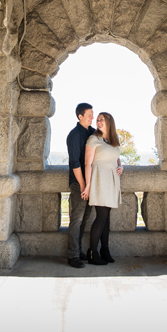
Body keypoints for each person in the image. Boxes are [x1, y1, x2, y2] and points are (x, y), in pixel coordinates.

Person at [82, 112, 123, 265]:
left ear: (109, 122)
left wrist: (121, 166)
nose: (98, 122)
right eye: (97, 120)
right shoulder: (93, 139)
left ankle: (104, 250)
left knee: (106, 219)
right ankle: (92, 252)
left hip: (112, 180)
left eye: (102, 120)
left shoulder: (113, 140)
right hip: (99, 180)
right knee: (101, 216)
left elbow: (117, 157)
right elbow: (88, 164)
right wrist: (87, 185)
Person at [66, 102, 95, 268]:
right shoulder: (74, 135)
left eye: (92, 114)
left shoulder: (92, 133)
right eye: (89, 115)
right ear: (80, 116)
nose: (92, 117)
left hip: (89, 184)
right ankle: (73, 255)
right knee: (76, 219)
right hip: (79, 184)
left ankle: (78, 251)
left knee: (85, 218)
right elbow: (75, 163)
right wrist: (84, 185)